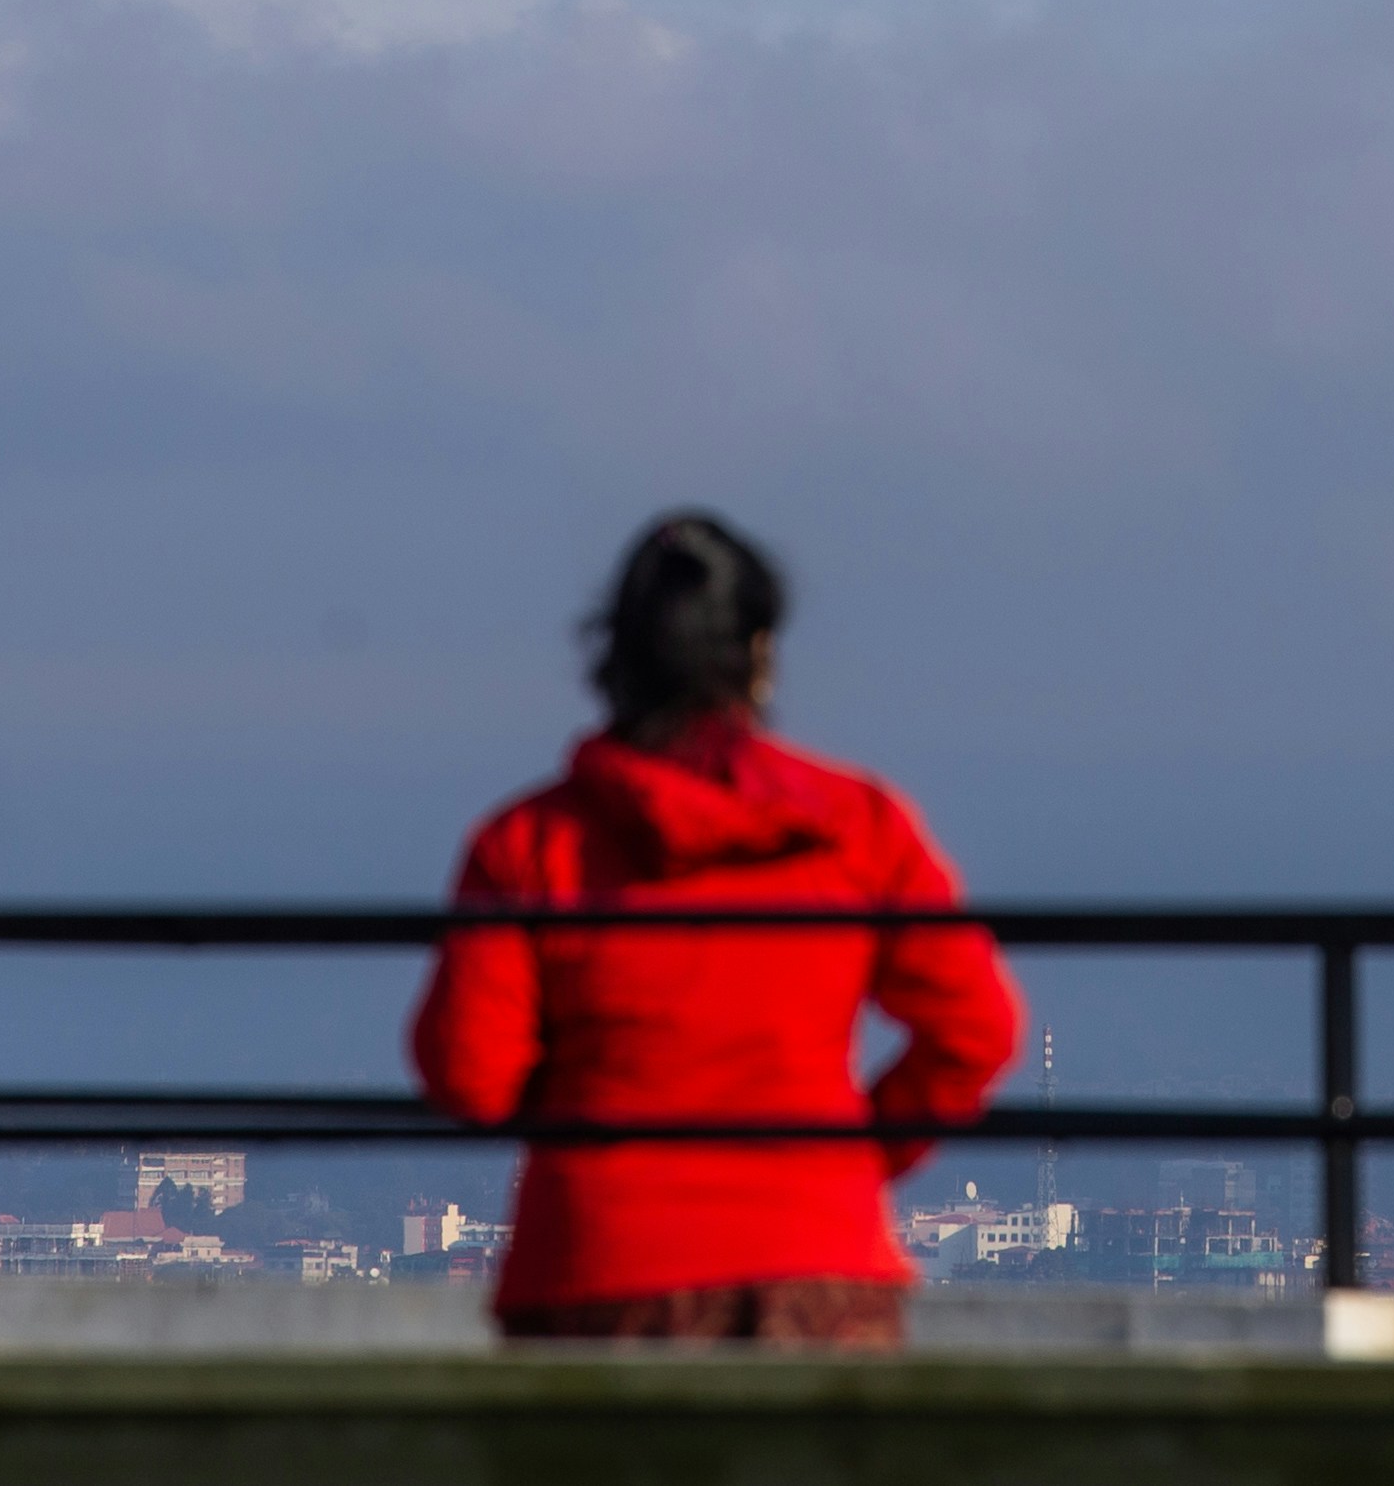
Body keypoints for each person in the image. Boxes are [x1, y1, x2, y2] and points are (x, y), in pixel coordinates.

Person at [409, 513, 1019, 1344]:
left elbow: (469, 1073)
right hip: (820, 1259)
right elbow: (976, 1029)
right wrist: (854, 1153)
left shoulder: (526, 844)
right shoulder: (858, 825)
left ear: (612, 659)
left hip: (600, 1265)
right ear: (758, 655)